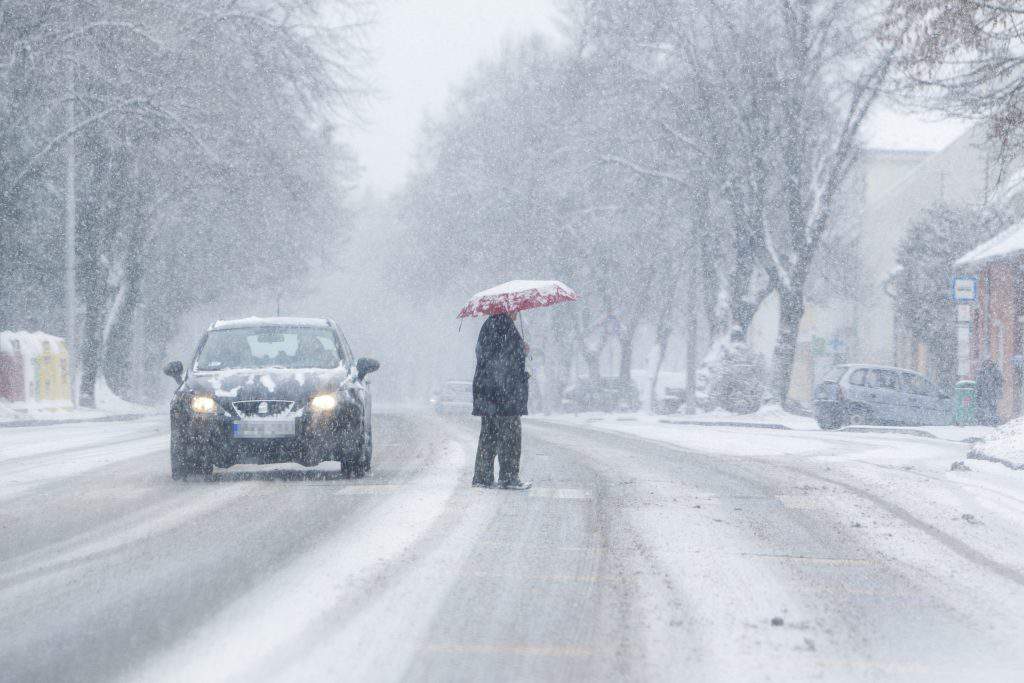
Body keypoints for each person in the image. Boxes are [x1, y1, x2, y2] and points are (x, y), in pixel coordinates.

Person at [472, 310, 531, 490]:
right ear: (509, 308)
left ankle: (482, 478)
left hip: (488, 393)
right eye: (516, 309)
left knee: (489, 436)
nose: (518, 312)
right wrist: (522, 349)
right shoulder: (504, 325)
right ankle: (509, 477)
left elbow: (486, 356)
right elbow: (507, 360)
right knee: (510, 437)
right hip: (504, 394)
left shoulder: (489, 325)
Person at [976, 358, 1004, 426]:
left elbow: (1000, 381)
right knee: (984, 407)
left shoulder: (995, 371)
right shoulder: (982, 372)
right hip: (984, 393)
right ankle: (985, 421)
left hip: (992, 393)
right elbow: (978, 383)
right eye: (987, 363)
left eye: (990, 363)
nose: (988, 364)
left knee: (992, 407)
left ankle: (992, 421)